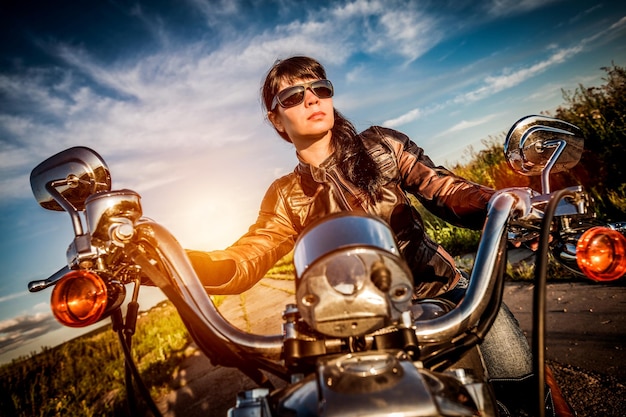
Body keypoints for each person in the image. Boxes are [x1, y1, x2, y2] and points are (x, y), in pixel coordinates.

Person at [187, 56, 533, 386]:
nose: (312, 99)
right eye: (294, 95)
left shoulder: (382, 144)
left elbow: (444, 188)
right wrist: (179, 264)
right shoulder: (284, 194)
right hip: (352, 327)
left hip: (440, 292)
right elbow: (246, 257)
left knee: (521, 379)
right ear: (276, 119)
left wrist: (502, 202)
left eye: (320, 89)